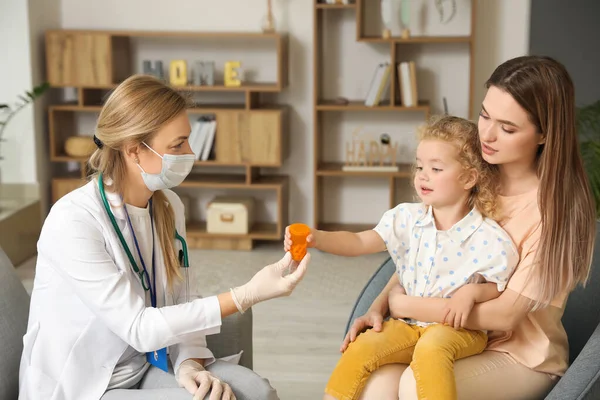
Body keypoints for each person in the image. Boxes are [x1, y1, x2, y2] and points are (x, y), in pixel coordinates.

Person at [18, 74, 311, 400]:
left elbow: (182, 297)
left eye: (187, 140)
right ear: (133, 151)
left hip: (144, 366)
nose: (190, 153)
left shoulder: (168, 205)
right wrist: (245, 295)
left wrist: (189, 363)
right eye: (178, 144)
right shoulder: (74, 222)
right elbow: (139, 328)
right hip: (85, 386)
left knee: (257, 392)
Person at [342, 55, 597, 400]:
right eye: (484, 115)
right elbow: (423, 247)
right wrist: (380, 304)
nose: (487, 135)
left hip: (519, 357)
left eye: (507, 128)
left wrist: (404, 306)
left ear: (544, 135)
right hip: (445, 335)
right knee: (375, 382)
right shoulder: (471, 174)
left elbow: (503, 315)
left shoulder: (553, 213)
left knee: (413, 385)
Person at [285, 115, 520, 400]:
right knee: (363, 346)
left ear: (469, 178)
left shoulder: (489, 238)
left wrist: (472, 292)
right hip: (407, 325)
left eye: (436, 168)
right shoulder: (406, 219)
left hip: (459, 331)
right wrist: (317, 237)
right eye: (420, 166)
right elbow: (360, 241)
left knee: (432, 349)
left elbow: (500, 286)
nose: (422, 175)